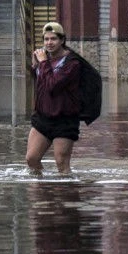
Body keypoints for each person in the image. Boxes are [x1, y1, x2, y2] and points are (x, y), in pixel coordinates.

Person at [26, 22, 82, 176]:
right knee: (32, 159)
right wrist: (35, 67)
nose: (49, 43)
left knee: (61, 163)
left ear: (62, 40)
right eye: (46, 39)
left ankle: (65, 195)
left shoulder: (72, 63)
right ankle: (43, 193)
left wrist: (43, 62)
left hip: (64, 119)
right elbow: (42, 86)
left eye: (53, 39)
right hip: (43, 117)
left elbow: (53, 85)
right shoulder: (44, 61)